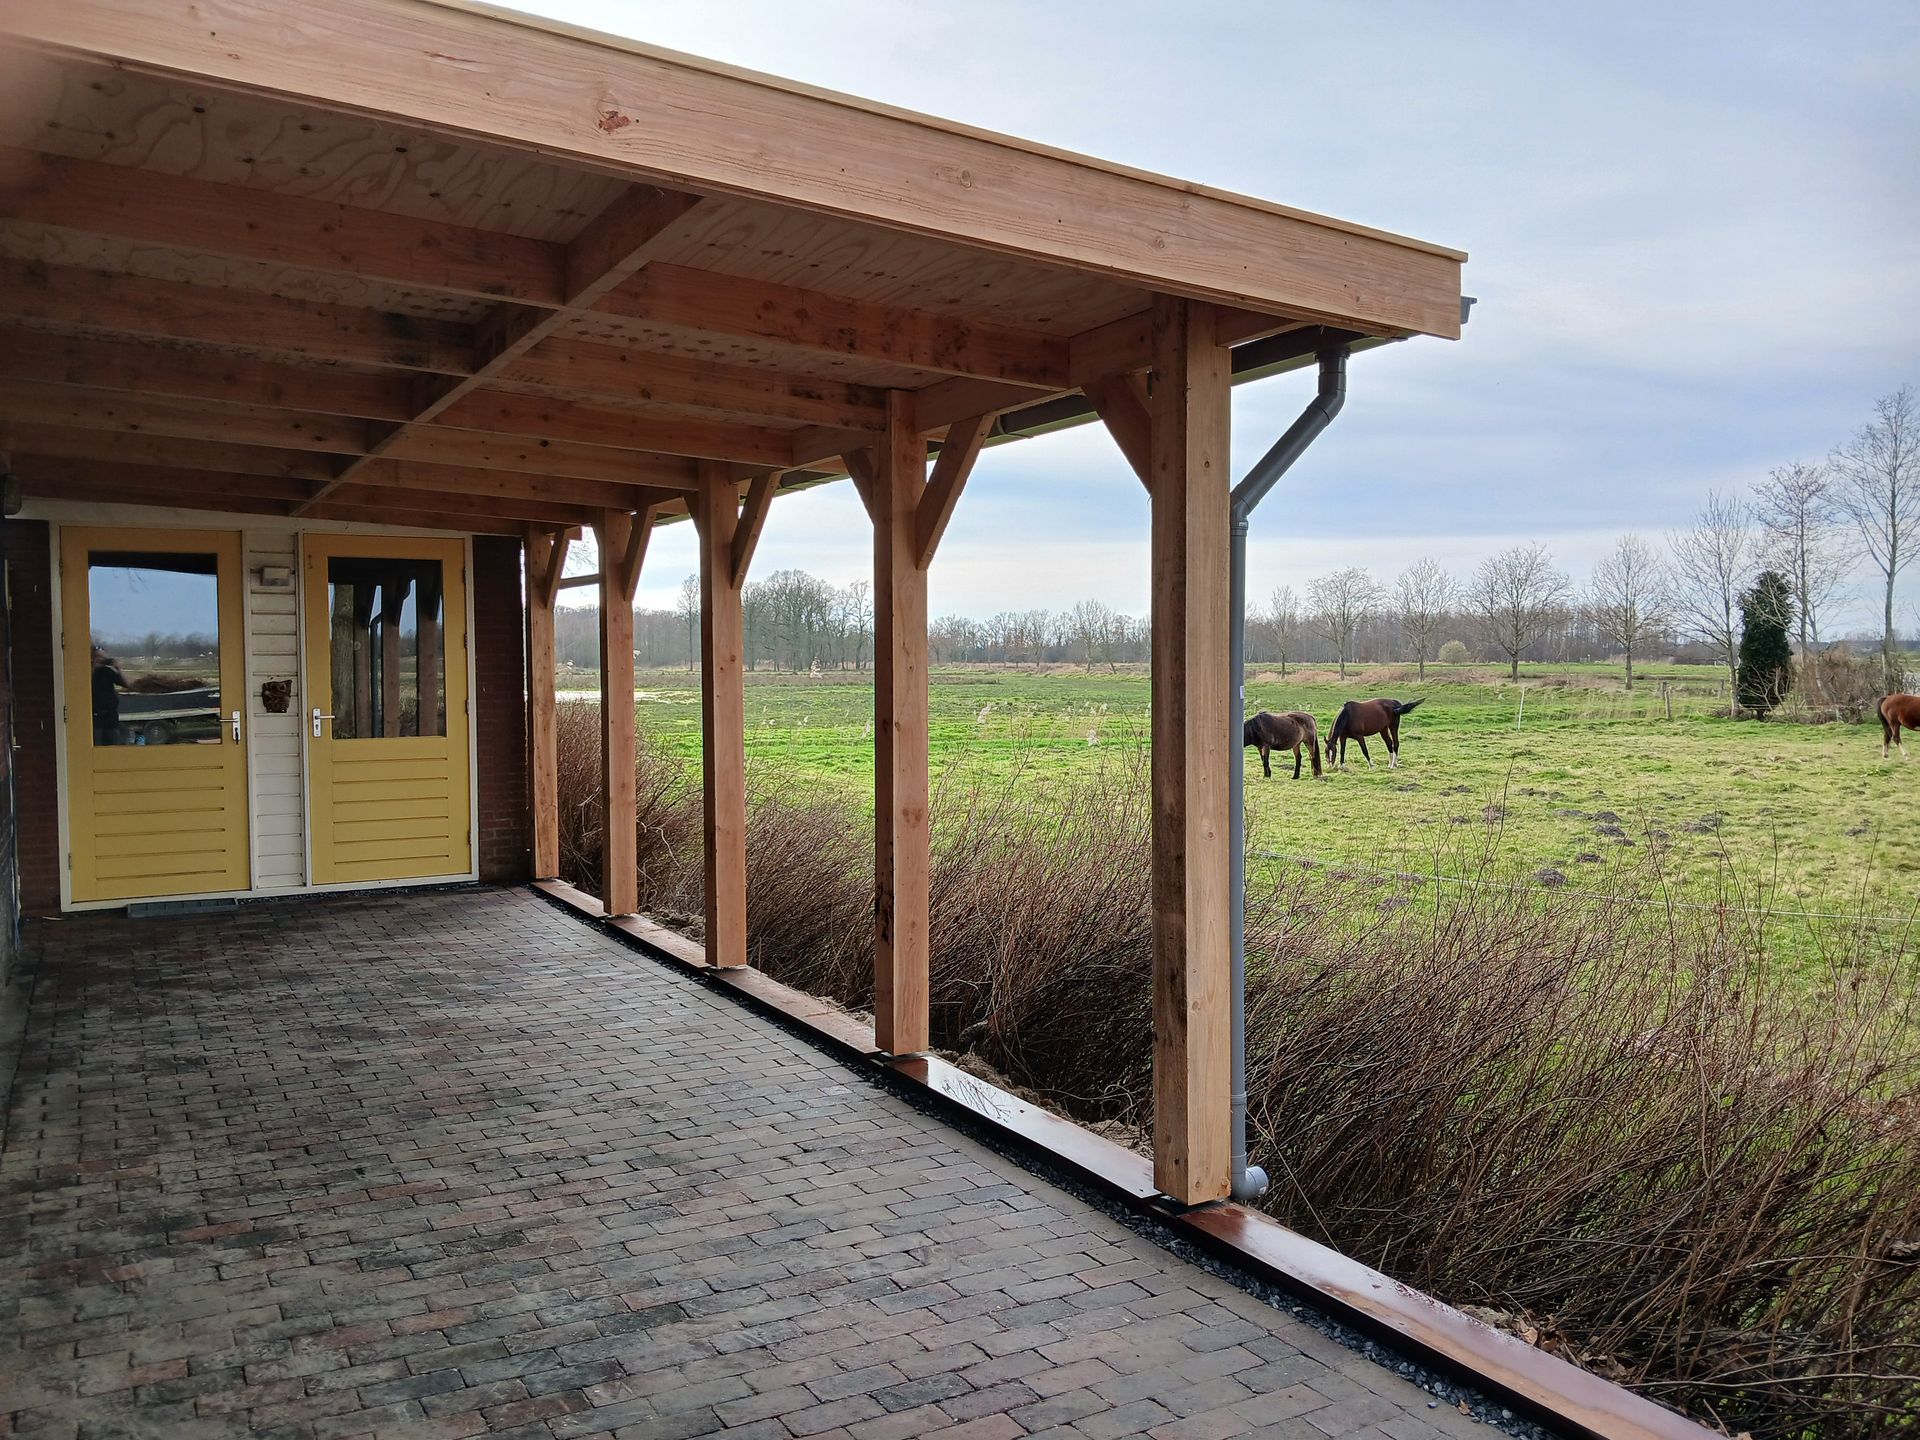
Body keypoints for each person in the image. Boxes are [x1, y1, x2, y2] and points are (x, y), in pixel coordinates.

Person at [91, 645, 125, 745]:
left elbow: (125, 684)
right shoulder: (88, 672)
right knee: (97, 745)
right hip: (96, 717)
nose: (101, 660)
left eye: (103, 658)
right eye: (98, 657)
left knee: (113, 745)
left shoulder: (108, 671)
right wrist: (94, 667)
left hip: (111, 716)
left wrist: (118, 669)